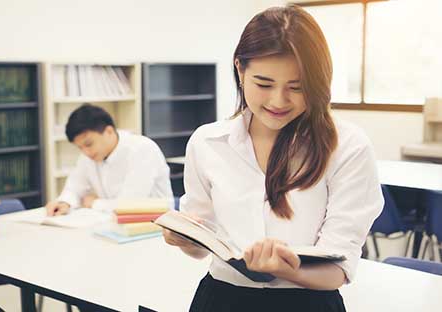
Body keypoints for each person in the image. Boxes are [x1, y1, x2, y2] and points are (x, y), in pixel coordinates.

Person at [163, 5, 383, 312]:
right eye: (264, 84)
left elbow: (338, 268)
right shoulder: (208, 142)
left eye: (297, 87)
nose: (278, 101)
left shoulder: (347, 147)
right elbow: (202, 246)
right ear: (240, 69)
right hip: (221, 300)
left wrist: (284, 267)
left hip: (307, 303)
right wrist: (184, 239)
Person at [45, 103, 173, 216]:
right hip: (112, 224)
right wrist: (65, 202)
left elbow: (129, 205)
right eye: (80, 148)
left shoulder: (142, 149)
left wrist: (94, 203)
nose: (85, 152)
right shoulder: (88, 155)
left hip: (155, 228)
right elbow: (74, 187)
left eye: (89, 144)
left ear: (109, 131)